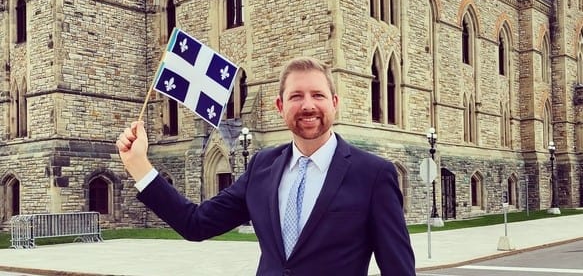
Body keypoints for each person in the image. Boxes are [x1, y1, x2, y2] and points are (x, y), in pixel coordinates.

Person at [116, 56, 415, 275]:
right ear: (280, 106)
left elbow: (398, 270)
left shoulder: (374, 175)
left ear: (334, 102)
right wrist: (140, 166)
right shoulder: (262, 166)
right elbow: (195, 224)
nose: (308, 105)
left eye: (318, 95)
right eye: (296, 96)